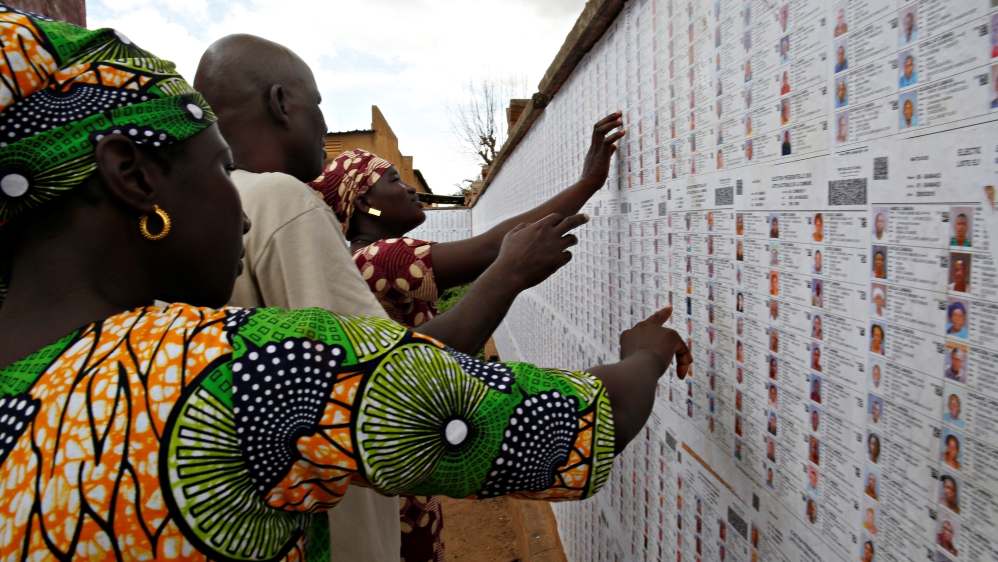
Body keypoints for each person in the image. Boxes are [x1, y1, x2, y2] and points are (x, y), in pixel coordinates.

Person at [0, 14, 692, 562]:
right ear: (133, 176)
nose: (239, 207)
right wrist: (644, 357)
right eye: (216, 171)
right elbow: (559, 428)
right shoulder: (231, 374)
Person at [196, 34, 591, 560]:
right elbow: (385, 385)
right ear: (281, 103)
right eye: (318, 105)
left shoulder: (210, 210)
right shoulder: (330, 231)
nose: (407, 187)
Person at [314, 112, 622, 331]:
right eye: (394, 179)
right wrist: (588, 182)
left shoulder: (362, 257)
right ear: (365, 203)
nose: (410, 188)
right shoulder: (377, 258)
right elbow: (493, 248)